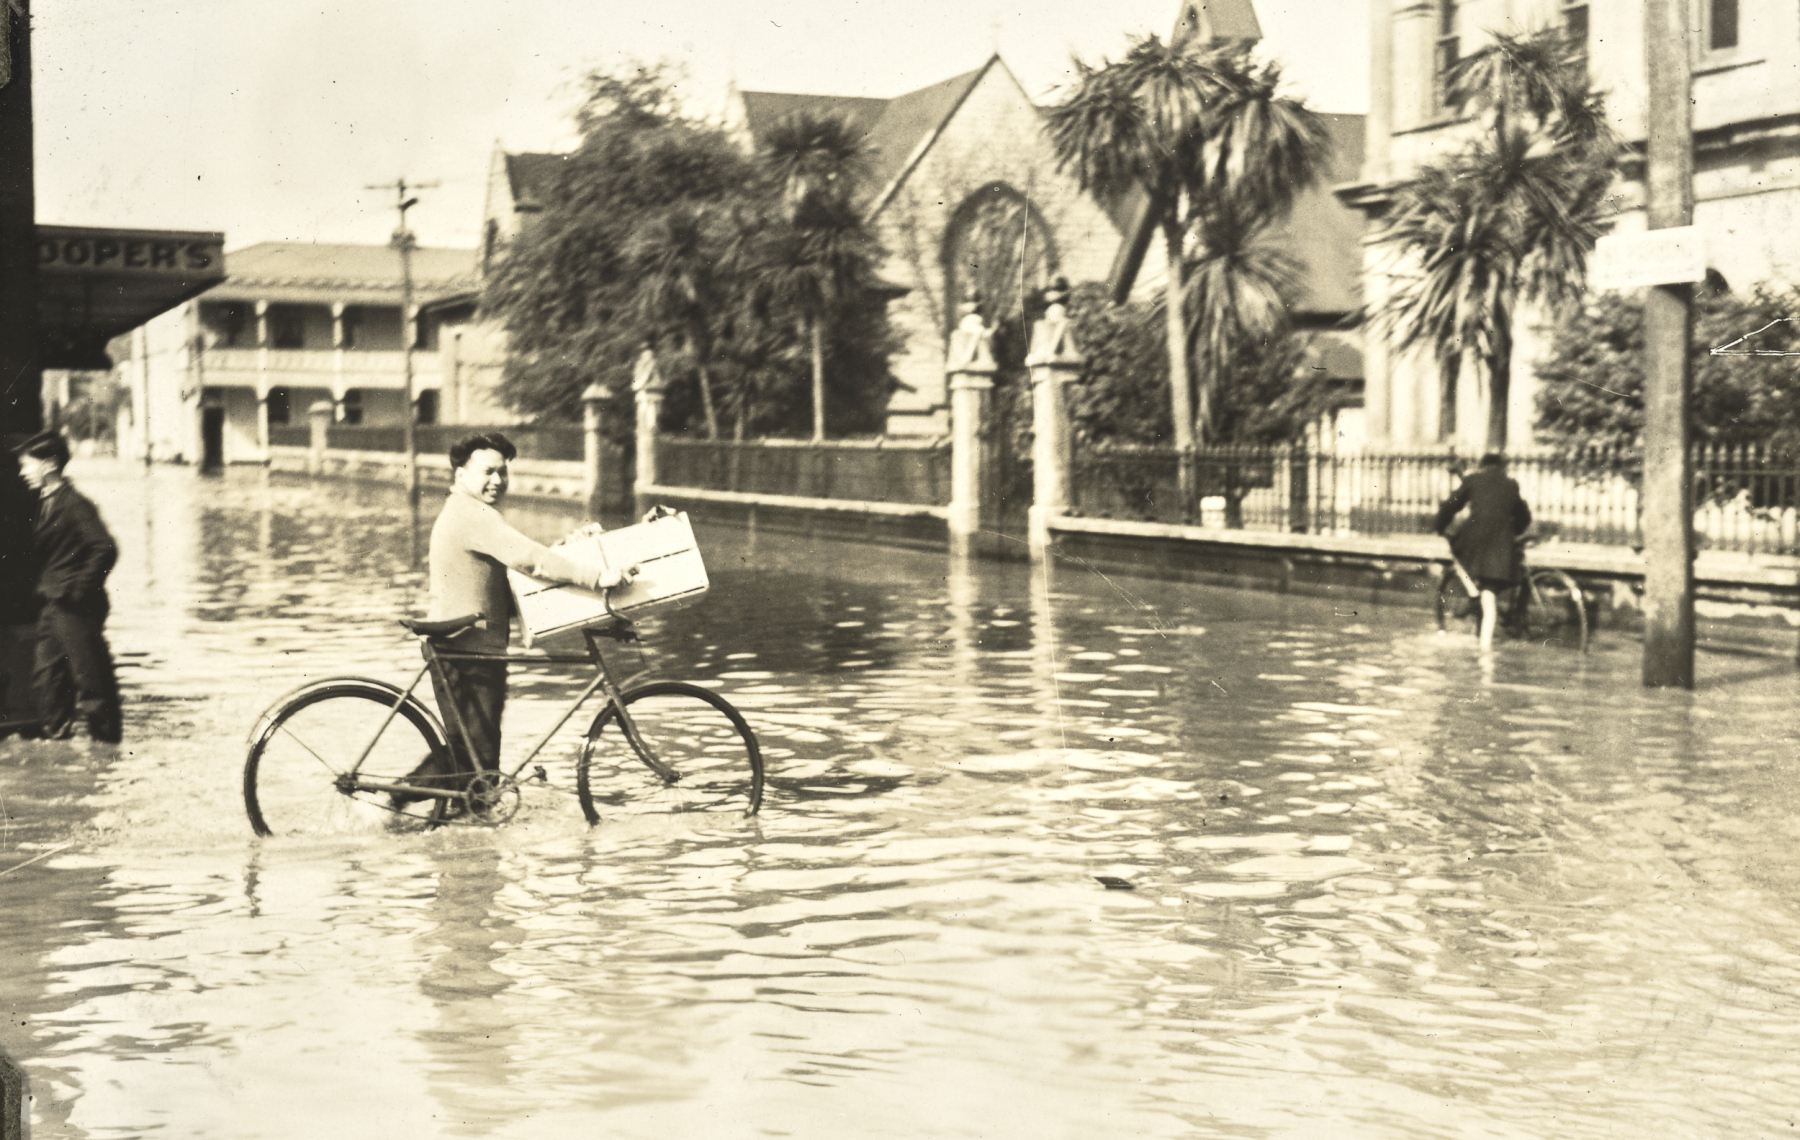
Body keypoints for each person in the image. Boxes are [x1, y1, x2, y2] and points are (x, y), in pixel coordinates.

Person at [405, 432, 635, 804]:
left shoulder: (472, 513)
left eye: (503, 473)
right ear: (460, 474)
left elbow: (515, 578)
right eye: (488, 472)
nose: (497, 480)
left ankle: (466, 846)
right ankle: (394, 801)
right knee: (473, 761)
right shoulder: (472, 513)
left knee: (478, 766)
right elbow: (528, 557)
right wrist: (595, 577)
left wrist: (568, 554)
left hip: (473, 644)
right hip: (465, 646)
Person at [14, 430, 122, 742]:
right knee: (47, 679)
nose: (23, 473)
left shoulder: (74, 504)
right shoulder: (46, 502)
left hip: (74, 606)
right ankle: (57, 742)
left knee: (90, 682)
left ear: (49, 464)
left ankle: (106, 752)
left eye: (27, 465)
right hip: (53, 604)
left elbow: (105, 547)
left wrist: (76, 591)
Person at [1434, 452, 1533, 652]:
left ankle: (1471, 591)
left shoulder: (1473, 480)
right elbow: (1524, 516)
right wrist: (1514, 531)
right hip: (1501, 546)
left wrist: (1439, 526)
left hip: (1473, 539)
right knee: (1490, 599)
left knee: (1454, 549)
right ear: (1503, 467)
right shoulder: (1511, 484)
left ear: (1482, 466)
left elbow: (1450, 507)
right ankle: (1485, 651)